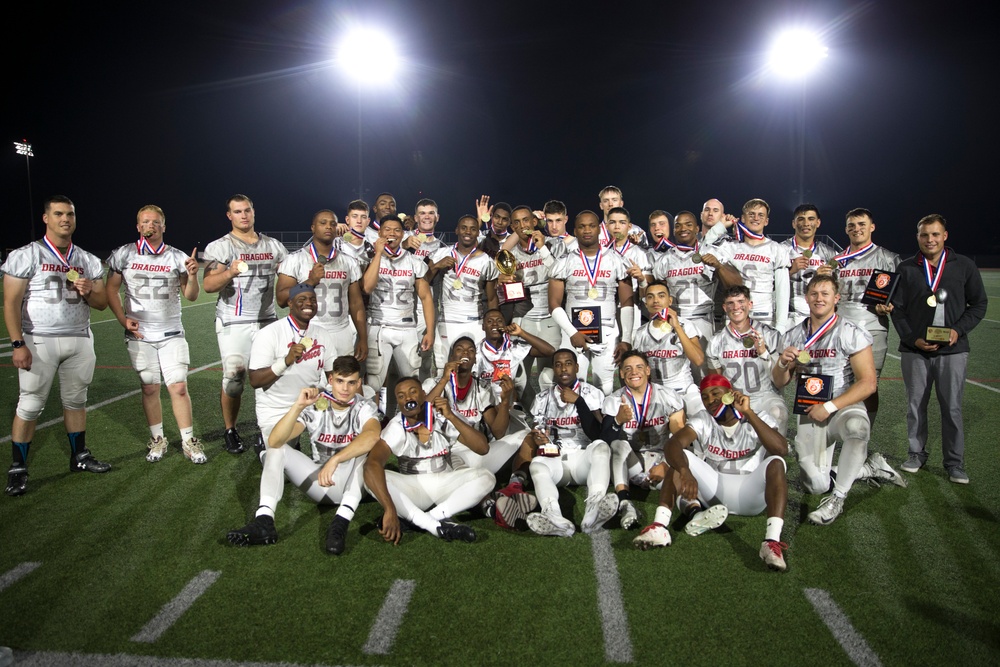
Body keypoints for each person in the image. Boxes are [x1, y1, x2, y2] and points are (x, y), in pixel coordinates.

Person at [3, 195, 111, 496]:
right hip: (39, 339)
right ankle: (18, 468)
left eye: (71, 214)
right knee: (31, 402)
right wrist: (17, 343)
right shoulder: (28, 255)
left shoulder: (86, 259)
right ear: (46, 218)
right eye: (59, 214)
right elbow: (10, 302)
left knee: (77, 400)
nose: (66, 219)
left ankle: (79, 456)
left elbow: (102, 303)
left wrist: (89, 290)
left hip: (79, 336)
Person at [633, 375, 789, 572]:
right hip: (714, 490)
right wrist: (685, 471)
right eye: (705, 397)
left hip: (749, 494)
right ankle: (659, 527)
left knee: (776, 462)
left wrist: (748, 413)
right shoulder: (703, 419)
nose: (710, 400)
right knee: (681, 457)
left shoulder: (755, 416)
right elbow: (673, 445)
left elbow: (781, 449)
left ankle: (771, 542)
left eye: (716, 393)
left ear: (730, 394)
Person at [227, 357, 382, 552]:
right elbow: (275, 440)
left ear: (359, 383)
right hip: (322, 484)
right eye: (340, 381)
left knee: (365, 452)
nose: (345, 388)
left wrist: (335, 460)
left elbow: (372, 435)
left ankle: (340, 523)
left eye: (351, 382)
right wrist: (298, 406)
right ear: (331, 380)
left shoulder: (364, 406)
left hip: (356, 483)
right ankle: (264, 520)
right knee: (275, 451)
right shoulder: (316, 405)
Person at [772, 275, 881, 525]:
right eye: (814, 294)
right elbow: (779, 382)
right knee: (815, 486)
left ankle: (838, 498)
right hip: (810, 411)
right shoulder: (792, 334)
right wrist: (782, 363)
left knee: (858, 428)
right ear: (806, 298)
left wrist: (830, 406)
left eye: (825, 293)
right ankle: (867, 468)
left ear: (836, 298)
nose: (819, 298)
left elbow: (868, 383)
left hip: (842, 406)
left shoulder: (850, 331)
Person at [891, 214, 987, 484]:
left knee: (952, 408)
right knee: (915, 405)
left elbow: (978, 304)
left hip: (953, 351)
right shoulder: (906, 268)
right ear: (918, 237)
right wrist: (913, 339)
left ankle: (954, 462)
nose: (930, 239)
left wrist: (958, 330)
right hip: (915, 350)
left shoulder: (964, 265)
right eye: (924, 235)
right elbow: (897, 310)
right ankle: (916, 453)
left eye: (935, 234)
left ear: (945, 235)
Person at [105, 205, 204, 464]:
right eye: (146, 222)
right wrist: (122, 319)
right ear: (138, 226)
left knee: (179, 386)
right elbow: (111, 289)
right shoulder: (124, 254)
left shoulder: (176, 256)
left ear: (164, 226)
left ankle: (188, 441)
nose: (151, 226)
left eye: (156, 222)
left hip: (171, 331)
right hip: (140, 335)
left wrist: (192, 276)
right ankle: (158, 439)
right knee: (150, 387)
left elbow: (191, 295)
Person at [203, 194, 288, 454]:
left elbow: (288, 279)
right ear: (229, 215)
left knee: (269, 377)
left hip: (266, 320)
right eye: (237, 211)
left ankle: (266, 429)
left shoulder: (274, 246)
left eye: (247, 210)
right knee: (234, 379)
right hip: (234, 320)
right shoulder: (220, 247)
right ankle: (230, 430)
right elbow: (208, 285)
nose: (243, 215)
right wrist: (230, 271)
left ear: (253, 212)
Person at [364, 378, 495, 543]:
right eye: (401, 396)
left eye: (413, 391)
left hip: (443, 484)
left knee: (486, 477)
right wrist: (389, 508)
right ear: (398, 402)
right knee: (369, 476)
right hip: (412, 488)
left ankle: (423, 519)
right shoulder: (397, 426)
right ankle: (435, 526)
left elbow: (482, 448)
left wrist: (451, 417)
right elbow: (372, 464)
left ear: (424, 394)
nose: (408, 398)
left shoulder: (441, 416)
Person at [524, 349, 615, 537]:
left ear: (576, 367)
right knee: (536, 465)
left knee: (602, 447)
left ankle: (595, 508)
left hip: (583, 460)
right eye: (558, 364)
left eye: (567, 363)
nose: (563, 368)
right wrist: (538, 437)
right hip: (556, 460)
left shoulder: (592, 393)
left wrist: (579, 402)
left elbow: (598, 434)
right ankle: (554, 517)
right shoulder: (542, 398)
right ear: (554, 369)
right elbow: (538, 432)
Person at [548, 210, 634, 394]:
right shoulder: (564, 261)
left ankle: (604, 422)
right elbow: (554, 304)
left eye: (592, 225)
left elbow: (627, 302)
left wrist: (626, 339)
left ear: (599, 230)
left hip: (607, 331)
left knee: (605, 385)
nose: (587, 230)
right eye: (582, 226)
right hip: (573, 331)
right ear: (575, 230)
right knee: (572, 384)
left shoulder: (616, 260)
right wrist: (572, 332)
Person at [601, 351, 686, 529]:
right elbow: (605, 439)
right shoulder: (614, 400)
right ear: (621, 374)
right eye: (628, 369)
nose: (634, 372)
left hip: (661, 459)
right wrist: (617, 421)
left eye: (639, 367)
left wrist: (666, 465)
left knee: (680, 485)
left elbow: (680, 438)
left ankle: (693, 511)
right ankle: (625, 503)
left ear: (648, 370)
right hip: (632, 463)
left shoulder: (668, 396)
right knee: (617, 444)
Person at [248, 283, 343, 443]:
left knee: (339, 437)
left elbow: (333, 375)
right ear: (290, 303)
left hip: (311, 404)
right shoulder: (269, 334)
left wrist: (330, 398)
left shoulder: (322, 334)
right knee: (278, 459)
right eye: (302, 299)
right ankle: (267, 451)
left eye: (312, 300)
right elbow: (255, 380)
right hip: (277, 409)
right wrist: (285, 361)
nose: (308, 303)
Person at [833, 208, 900, 428]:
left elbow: (899, 295)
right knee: (838, 383)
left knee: (870, 385)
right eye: (852, 225)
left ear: (872, 227)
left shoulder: (888, 258)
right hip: (840, 329)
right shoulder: (835, 261)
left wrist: (890, 305)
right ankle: (836, 432)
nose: (857, 229)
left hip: (873, 327)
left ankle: (863, 436)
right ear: (846, 229)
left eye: (862, 224)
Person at [276, 209, 368, 361]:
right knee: (310, 381)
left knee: (342, 381)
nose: (328, 227)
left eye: (332, 224)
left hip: (342, 331)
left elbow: (356, 303)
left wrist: (363, 338)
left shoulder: (349, 262)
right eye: (323, 223)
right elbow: (281, 300)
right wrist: (309, 282)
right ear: (313, 227)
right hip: (308, 330)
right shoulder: (294, 259)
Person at [653, 210, 741, 367]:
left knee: (703, 369)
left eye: (688, 224)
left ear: (697, 229)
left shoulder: (711, 251)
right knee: (676, 367)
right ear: (673, 230)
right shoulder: (664, 260)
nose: (682, 229)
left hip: (703, 320)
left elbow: (737, 286)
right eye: (678, 226)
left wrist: (719, 267)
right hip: (675, 319)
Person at [362, 216, 435, 395]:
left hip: (406, 328)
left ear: (403, 234)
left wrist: (430, 331)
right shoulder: (370, 259)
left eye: (396, 230)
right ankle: (373, 421)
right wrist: (378, 254)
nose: (391, 234)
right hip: (378, 327)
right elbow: (367, 287)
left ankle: (406, 421)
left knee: (412, 382)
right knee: (373, 384)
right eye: (387, 229)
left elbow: (426, 298)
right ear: (379, 233)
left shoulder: (414, 261)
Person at [706, 286, 788, 435]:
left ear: (750, 304)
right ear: (724, 307)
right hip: (736, 398)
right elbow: (717, 381)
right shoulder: (716, 342)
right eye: (731, 303)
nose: (736, 307)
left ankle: (776, 456)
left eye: (741, 301)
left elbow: (780, 380)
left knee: (778, 413)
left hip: (766, 395)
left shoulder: (770, 335)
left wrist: (763, 352)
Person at [706, 198, 791, 332]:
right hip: (735, 314)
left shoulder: (776, 249)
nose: (756, 218)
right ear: (743, 219)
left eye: (761, 215)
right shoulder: (730, 247)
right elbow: (703, 251)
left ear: (766, 221)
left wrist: (781, 325)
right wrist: (720, 226)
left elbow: (783, 289)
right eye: (751, 214)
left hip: (763, 316)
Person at [498, 207, 561, 387]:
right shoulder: (510, 255)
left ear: (534, 222)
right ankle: (526, 414)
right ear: (512, 227)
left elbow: (559, 273)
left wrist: (542, 249)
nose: (522, 225)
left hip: (550, 317)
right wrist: (502, 280)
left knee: (548, 377)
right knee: (519, 378)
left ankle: (548, 414)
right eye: (516, 222)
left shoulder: (553, 245)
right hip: (522, 317)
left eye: (526, 220)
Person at [426, 214, 499, 368]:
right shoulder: (441, 253)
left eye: (473, 229)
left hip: (474, 321)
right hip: (447, 321)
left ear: (478, 233)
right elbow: (424, 281)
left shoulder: (486, 261)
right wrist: (436, 266)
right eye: (464, 228)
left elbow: (492, 298)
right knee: (442, 368)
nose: (468, 232)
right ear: (457, 230)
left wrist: (492, 324)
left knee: (475, 368)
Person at [631, 280, 704, 392]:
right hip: (655, 391)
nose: (656, 301)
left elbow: (698, 360)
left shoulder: (686, 325)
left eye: (661, 296)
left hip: (684, 389)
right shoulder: (640, 333)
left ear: (670, 301)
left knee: (700, 409)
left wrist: (677, 327)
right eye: (650, 297)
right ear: (646, 304)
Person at [476, 308, 556, 406]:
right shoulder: (475, 351)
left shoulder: (514, 347)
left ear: (505, 325)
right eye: (489, 321)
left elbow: (550, 351)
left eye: (499, 321)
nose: (495, 324)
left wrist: (521, 333)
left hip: (508, 405)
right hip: (485, 406)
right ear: (483, 327)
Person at [781, 204, 838, 329]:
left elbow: (838, 287)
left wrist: (825, 279)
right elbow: (768, 282)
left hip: (820, 315)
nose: (806, 223)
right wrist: (790, 271)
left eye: (811, 219)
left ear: (818, 223)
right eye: (801, 219)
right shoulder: (780, 250)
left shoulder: (830, 254)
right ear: (794, 223)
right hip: (788, 316)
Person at [337, 200, 376, 270]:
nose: (359, 221)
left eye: (363, 217)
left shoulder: (372, 249)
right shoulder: (335, 243)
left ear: (368, 221)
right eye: (355, 216)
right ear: (347, 220)